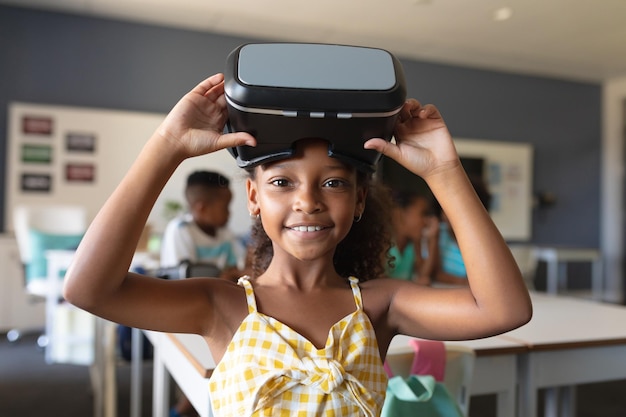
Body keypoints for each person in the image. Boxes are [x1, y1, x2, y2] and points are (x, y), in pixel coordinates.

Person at [63, 73, 532, 416]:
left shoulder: (381, 304)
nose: (307, 202)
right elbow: (89, 288)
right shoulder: (222, 306)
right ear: (253, 197)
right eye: (283, 182)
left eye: (333, 184)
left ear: (360, 200)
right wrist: (166, 145)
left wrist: (443, 173)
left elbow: (504, 310)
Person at [160, 169, 247, 282]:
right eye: (225, 207)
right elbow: (185, 277)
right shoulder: (180, 229)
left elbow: (235, 268)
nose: (230, 213)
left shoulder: (225, 233)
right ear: (202, 209)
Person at [433, 173, 493, 286]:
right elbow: (434, 274)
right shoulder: (437, 234)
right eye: (445, 205)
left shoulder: (482, 240)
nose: (447, 212)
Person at [387, 189, 439, 285]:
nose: (426, 221)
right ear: (400, 214)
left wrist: (433, 239)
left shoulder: (412, 245)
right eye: (423, 214)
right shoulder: (384, 245)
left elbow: (423, 275)